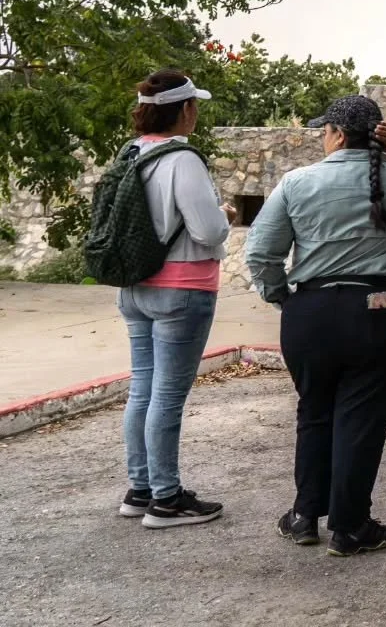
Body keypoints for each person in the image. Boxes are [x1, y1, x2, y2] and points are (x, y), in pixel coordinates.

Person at [245, 95, 386, 555]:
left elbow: (261, 253)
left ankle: (304, 515)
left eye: (325, 131)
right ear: (379, 135)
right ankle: (350, 525)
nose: (323, 138)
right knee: (362, 419)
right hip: (383, 313)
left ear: (338, 135)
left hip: (312, 313)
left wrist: (283, 297)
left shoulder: (297, 182)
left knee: (314, 410)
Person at [114, 71, 236, 529]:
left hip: (134, 287)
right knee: (166, 396)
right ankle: (166, 500)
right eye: (194, 105)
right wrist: (225, 214)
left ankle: (140, 489)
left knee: (142, 389)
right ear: (184, 109)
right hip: (183, 290)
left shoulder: (130, 153)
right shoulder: (182, 159)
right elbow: (207, 231)